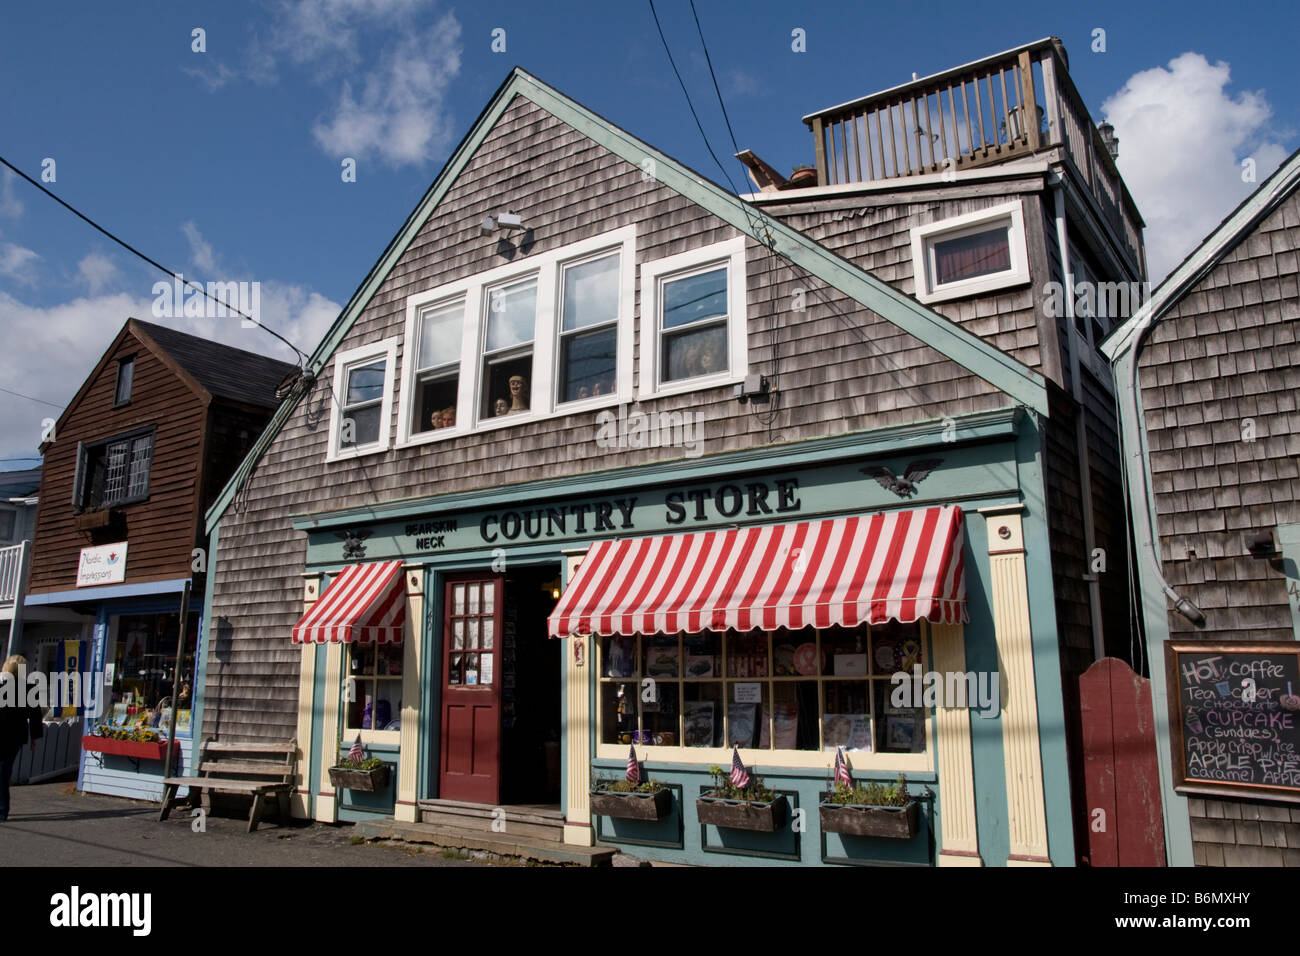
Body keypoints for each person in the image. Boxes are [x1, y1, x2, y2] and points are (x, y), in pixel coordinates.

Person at [0, 655, 44, 822]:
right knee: (4, 772)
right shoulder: (29, 688)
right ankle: (2, 810)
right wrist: (34, 737)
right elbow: (35, 716)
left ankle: (2, 809)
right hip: (15, 736)